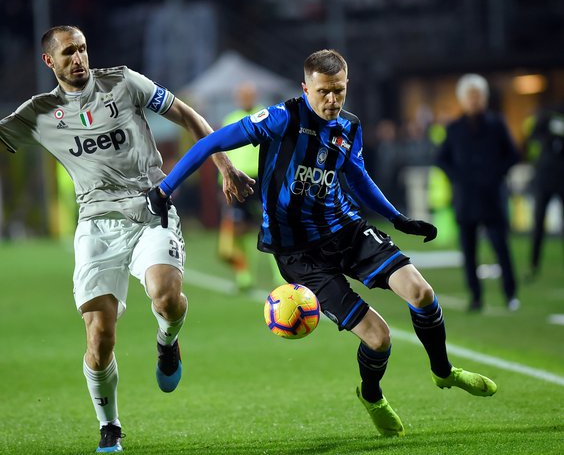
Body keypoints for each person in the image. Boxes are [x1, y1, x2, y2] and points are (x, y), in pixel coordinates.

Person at [147, 49, 497, 438]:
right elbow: (210, 143)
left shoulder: (349, 126)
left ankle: (443, 371)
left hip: (345, 229)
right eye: (324, 92)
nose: (332, 101)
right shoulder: (282, 118)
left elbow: (357, 174)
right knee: (379, 339)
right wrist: (166, 187)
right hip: (299, 255)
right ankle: (372, 395)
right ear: (305, 88)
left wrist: (397, 218)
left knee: (421, 292)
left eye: (340, 91)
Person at [0, 25, 253, 453]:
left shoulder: (123, 81)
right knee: (100, 336)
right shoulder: (40, 112)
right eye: (69, 53)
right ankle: (109, 426)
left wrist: (224, 166)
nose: (78, 58)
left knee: (166, 296)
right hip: (96, 225)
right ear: (50, 62)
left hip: (150, 208)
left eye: (82, 49)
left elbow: (188, 115)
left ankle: (167, 344)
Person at [436, 74, 521, 312]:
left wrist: (497, 173)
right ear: (462, 100)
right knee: (469, 252)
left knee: (501, 248)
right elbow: (441, 159)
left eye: (478, 95)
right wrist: (457, 178)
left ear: (484, 98)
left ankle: (510, 293)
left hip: (492, 197)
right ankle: (475, 296)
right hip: (466, 199)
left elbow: (513, 154)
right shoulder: (453, 129)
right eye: (470, 96)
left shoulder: (497, 124)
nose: (474, 100)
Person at [217, 82, 282, 291]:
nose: (246, 99)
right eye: (242, 95)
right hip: (237, 183)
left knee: (272, 225)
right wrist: (223, 182)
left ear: (255, 96)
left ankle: (279, 274)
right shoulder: (230, 119)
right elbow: (223, 154)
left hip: (262, 180)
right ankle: (244, 276)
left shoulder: (266, 117)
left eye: (249, 95)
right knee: (239, 231)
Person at [524, 101, 564, 280]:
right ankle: (534, 264)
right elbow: (533, 136)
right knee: (538, 222)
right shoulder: (548, 114)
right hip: (545, 177)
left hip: (561, 177)